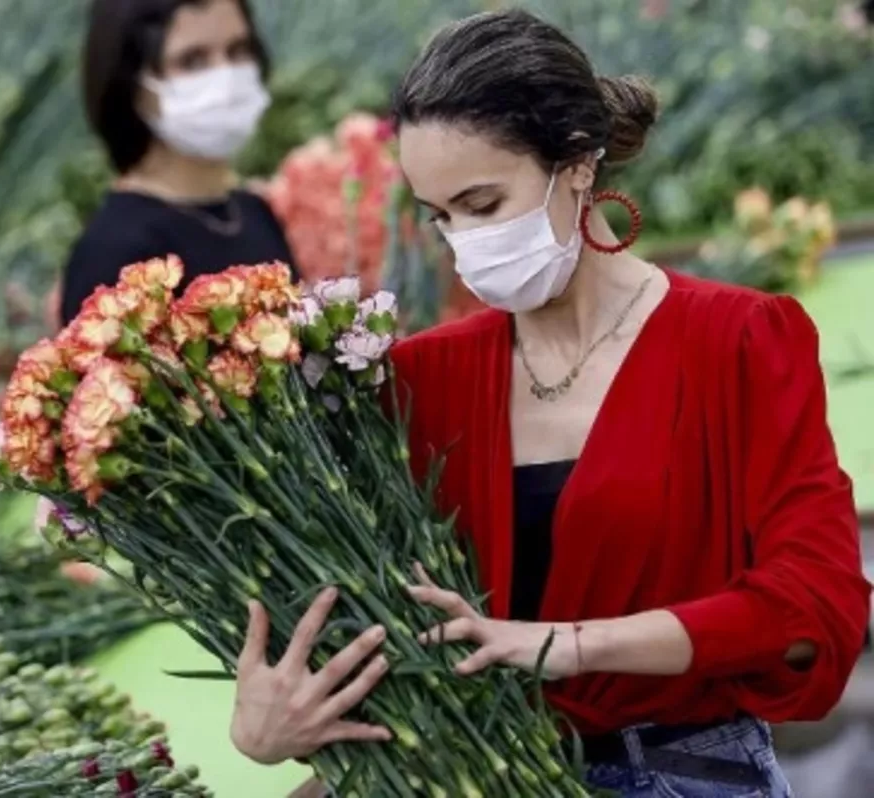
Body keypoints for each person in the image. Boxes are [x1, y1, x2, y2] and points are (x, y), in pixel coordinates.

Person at [228, 9, 870, 797]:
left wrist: (567, 646)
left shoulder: (736, 341)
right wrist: (271, 719)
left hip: (685, 774)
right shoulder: (414, 381)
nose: (463, 243)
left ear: (576, 162)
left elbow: (814, 607)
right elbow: (351, 611)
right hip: (475, 770)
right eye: (441, 217)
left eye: (484, 203)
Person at [55, 0, 297, 327]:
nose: (224, 76)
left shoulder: (254, 212)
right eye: (193, 60)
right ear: (131, 82)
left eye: (238, 50)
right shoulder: (114, 252)